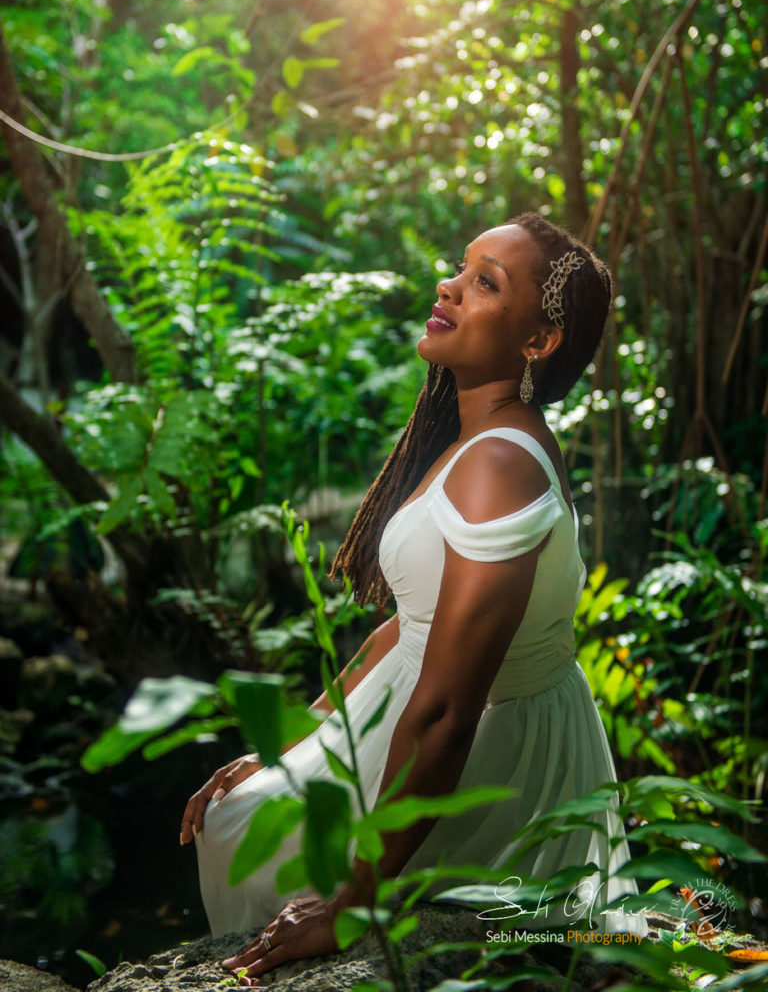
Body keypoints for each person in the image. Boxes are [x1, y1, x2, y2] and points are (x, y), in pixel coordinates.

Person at [180, 212, 645, 981]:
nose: (450, 286)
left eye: (485, 282)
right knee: (237, 812)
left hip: (491, 757)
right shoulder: (478, 437)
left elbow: (448, 711)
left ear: (538, 342)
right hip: (420, 707)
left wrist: (356, 899)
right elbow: (410, 625)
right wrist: (289, 748)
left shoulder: (501, 466)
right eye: (461, 268)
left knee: (246, 842)